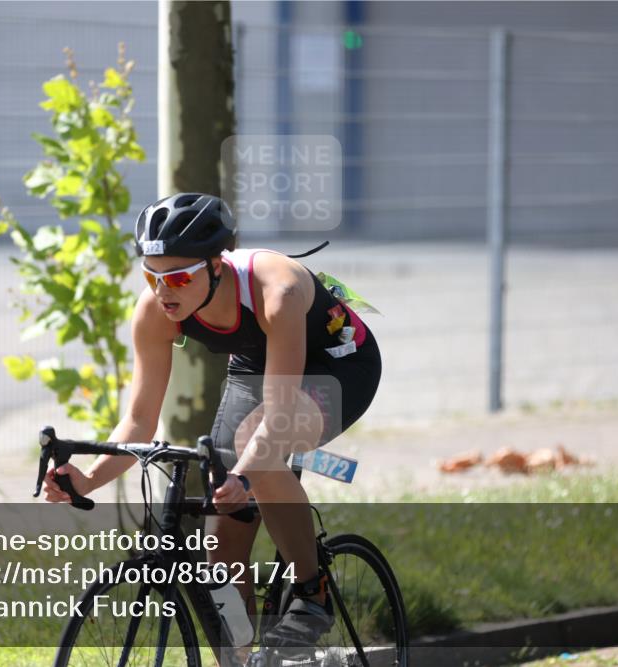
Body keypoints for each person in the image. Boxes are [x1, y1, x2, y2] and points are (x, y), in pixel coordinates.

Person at [43, 193, 381, 651]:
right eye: (152, 275)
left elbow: (278, 417)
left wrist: (244, 474)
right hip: (256, 363)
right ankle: (244, 657)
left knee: (253, 454)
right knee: (220, 554)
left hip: (338, 364)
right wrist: (87, 480)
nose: (164, 291)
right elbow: (140, 420)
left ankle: (311, 590)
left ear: (217, 266)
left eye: (179, 277)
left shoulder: (277, 293)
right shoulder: (153, 312)